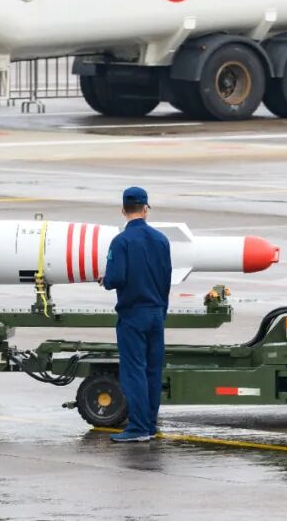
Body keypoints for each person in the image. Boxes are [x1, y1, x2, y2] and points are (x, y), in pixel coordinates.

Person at [101, 187, 172, 443]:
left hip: (133, 315)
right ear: (145, 209)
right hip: (156, 313)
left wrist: (105, 280)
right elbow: (166, 278)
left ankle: (138, 427)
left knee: (134, 371)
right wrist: (162, 311)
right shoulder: (161, 240)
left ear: (123, 210)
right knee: (153, 371)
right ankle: (150, 425)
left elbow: (116, 278)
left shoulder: (121, 242)